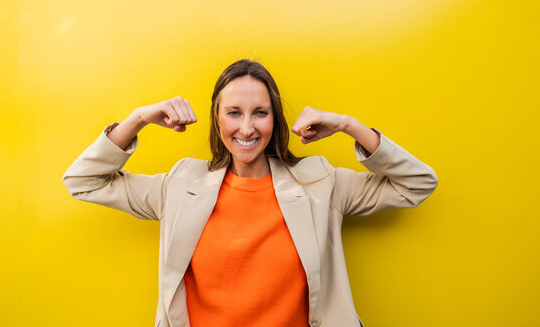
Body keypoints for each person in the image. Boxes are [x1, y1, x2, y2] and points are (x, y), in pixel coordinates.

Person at [62, 58, 438, 327]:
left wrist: (349, 125)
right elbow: (83, 180)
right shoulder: (179, 185)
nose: (246, 128)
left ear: (275, 119)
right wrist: (139, 118)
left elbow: (417, 183)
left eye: (260, 112)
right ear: (217, 118)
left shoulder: (320, 182)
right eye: (233, 113)